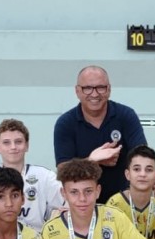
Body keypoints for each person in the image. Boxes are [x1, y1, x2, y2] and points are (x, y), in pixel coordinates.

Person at [53, 65, 147, 203]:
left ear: (109, 89)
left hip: (125, 201)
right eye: (87, 88)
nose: (94, 94)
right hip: (83, 203)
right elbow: (63, 172)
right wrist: (93, 160)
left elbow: (143, 157)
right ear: (77, 91)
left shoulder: (126, 116)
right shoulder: (65, 123)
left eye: (100, 87)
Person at [106, 145, 155, 239]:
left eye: (149, 170)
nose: (143, 174)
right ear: (127, 174)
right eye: (136, 169)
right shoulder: (114, 205)